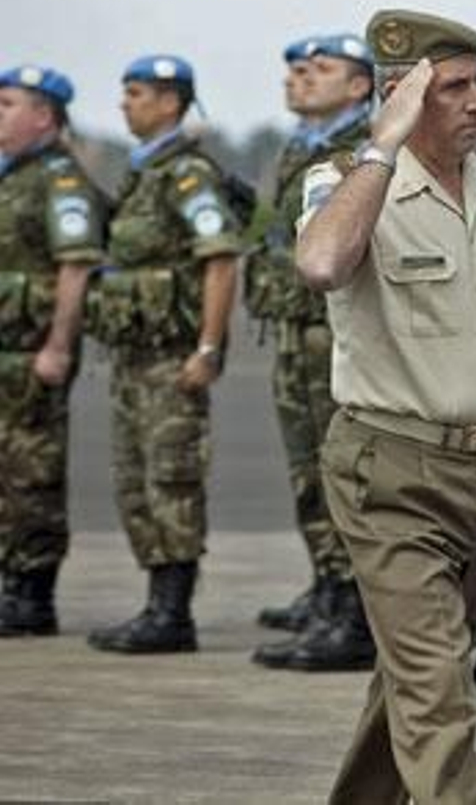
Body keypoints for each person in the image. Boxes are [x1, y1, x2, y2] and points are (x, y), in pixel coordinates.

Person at [296, 9, 476, 805]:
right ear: (404, 97)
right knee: (438, 684)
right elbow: (321, 264)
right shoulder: (348, 183)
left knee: (418, 673)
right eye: (454, 88)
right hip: (392, 470)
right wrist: (382, 146)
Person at [86, 55, 244, 655]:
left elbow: (220, 259)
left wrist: (208, 347)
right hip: (134, 356)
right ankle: (156, 605)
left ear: (170, 102)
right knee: (134, 479)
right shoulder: (143, 173)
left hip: (172, 357)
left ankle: (173, 614)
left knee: (171, 477)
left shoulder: (187, 175)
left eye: (135, 93)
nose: (124, 103)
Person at [250, 34, 377, 673]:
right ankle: (327, 592)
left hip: (338, 334)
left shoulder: (366, 152)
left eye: (319, 69)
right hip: (295, 332)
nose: (299, 77)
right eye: (296, 69)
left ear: (359, 86)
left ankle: (353, 613)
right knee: (307, 474)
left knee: (344, 474)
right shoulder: (299, 149)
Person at [0, 65, 104, 637]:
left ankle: (32, 595)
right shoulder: (13, 175)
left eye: (7, 104)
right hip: (6, 352)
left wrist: (58, 346)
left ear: (44, 116)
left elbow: (75, 266)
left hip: (32, 353)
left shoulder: (60, 181)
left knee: (31, 472)